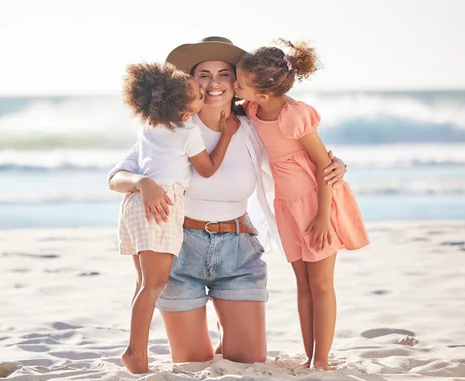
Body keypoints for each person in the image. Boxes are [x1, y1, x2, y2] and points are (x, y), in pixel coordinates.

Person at [108, 37, 348, 365]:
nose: (214, 83)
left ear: (237, 83)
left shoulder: (253, 127)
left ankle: (229, 330)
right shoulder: (171, 127)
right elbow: (116, 177)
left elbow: (298, 150)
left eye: (223, 73)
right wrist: (141, 183)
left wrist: (336, 164)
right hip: (181, 252)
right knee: (191, 361)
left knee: (247, 361)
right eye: (203, 74)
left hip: (238, 252)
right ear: (189, 81)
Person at [234, 40, 369, 369]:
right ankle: (310, 356)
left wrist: (324, 217)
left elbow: (325, 166)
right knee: (303, 284)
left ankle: (321, 362)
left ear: (264, 94)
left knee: (321, 284)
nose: (233, 86)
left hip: (316, 204)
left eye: (238, 82)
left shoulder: (295, 115)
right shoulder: (253, 109)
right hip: (286, 207)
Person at [118, 62, 238, 374]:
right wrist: (226, 135)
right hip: (162, 205)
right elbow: (207, 169)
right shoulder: (187, 130)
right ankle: (134, 353)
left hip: (135, 205)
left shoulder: (148, 127)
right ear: (184, 109)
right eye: (198, 95)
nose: (203, 96)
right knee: (155, 283)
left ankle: (136, 350)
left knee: (144, 282)